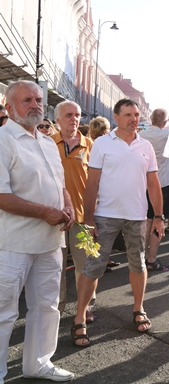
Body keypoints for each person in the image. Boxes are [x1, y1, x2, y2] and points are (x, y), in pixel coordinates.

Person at [71, 99, 165, 347]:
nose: (133, 119)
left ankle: (138, 308)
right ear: (116, 117)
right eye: (128, 115)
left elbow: (153, 183)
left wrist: (159, 216)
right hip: (105, 215)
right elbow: (92, 183)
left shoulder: (145, 146)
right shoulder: (102, 144)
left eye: (136, 115)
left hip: (137, 216)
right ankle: (80, 316)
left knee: (138, 263)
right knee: (93, 266)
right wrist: (88, 219)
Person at [0, 80, 75, 382]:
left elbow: (60, 185)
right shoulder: (3, 140)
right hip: (13, 243)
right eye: (27, 100)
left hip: (50, 242)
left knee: (46, 307)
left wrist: (68, 206)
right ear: (9, 107)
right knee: (4, 313)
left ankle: (38, 364)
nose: (35, 105)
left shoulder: (46, 141)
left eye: (39, 100)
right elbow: (1, 196)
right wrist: (45, 212)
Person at [52, 101, 96, 323]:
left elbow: (99, 182)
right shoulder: (48, 144)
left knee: (85, 266)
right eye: (68, 115)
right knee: (56, 267)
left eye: (77, 115)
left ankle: (85, 307)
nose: (74, 119)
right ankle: (57, 308)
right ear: (57, 119)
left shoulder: (91, 145)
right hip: (54, 217)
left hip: (83, 217)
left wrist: (94, 215)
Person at [139, 108, 169, 272]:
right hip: (164, 182)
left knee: (147, 221)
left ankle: (142, 257)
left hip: (145, 183)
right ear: (165, 122)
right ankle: (151, 259)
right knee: (159, 220)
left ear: (151, 118)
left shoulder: (141, 135)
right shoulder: (168, 135)